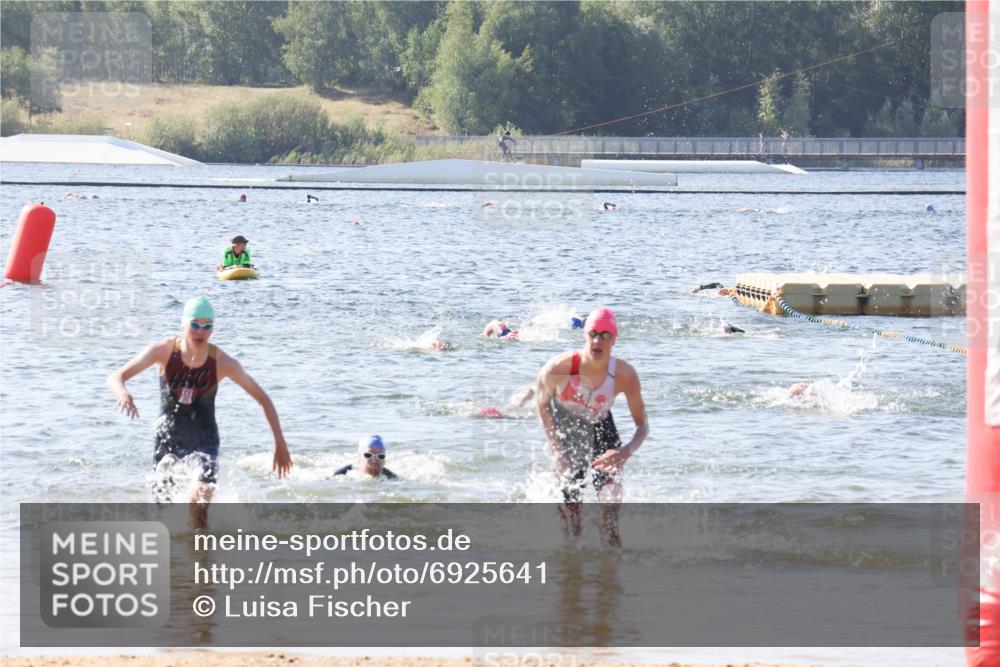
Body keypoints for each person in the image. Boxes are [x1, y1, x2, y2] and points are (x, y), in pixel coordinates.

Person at [107, 296, 292, 528]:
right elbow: (116, 376)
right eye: (195, 324)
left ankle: (201, 550)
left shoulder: (223, 362)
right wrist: (123, 394)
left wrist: (280, 444)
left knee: (199, 504)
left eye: (207, 326)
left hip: (205, 438)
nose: (200, 331)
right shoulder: (163, 351)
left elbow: (263, 399)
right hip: (168, 437)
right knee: (162, 512)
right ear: (183, 324)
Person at [535, 307, 649, 546]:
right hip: (569, 432)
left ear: (614, 339)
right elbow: (542, 404)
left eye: (606, 335)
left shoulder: (625, 374)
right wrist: (556, 451)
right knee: (572, 529)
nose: (598, 341)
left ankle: (611, 564)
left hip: (602, 430)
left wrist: (624, 452)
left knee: (610, 516)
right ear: (584, 335)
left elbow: (642, 426)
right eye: (593, 334)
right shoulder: (559, 368)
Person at [334, 435, 398, 480]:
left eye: (380, 456)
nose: (374, 460)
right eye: (368, 455)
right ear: (359, 458)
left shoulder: (391, 477)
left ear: (384, 461)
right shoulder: (342, 474)